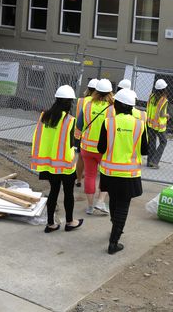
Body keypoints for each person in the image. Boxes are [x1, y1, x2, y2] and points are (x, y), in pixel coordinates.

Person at [97, 88, 149, 254]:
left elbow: (101, 147)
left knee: (113, 200)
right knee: (123, 205)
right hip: (129, 173)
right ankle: (114, 240)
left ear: (118, 105)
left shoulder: (108, 122)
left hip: (109, 172)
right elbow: (145, 150)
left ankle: (115, 228)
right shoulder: (140, 125)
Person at [30, 85, 84, 233]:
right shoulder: (69, 120)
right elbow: (72, 142)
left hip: (49, 163)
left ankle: (50, 224)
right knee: (68, 193)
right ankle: (70, 222)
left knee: (53, 191)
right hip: (65, 164)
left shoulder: (44, 116)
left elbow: (39, 138)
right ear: (68, 103)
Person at [77, 78, 113, 215]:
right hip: (104, 149)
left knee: (90, 176)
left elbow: (79, 125)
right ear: (110, 93)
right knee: (105, 176)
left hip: (87, 147)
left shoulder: (88, 105)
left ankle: (90, 206)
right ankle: (100, 202)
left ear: (96, 91)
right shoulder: (112, 109)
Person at [73, 79, 98, 187]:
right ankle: (87, 177)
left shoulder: (80, 100)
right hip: (90, 134)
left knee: (80, 158)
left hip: (79, 133)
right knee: (91, 160)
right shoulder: (96, 102)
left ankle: (78, 180)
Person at [145, 79, 169, 168]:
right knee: (163, 141)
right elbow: (162, 114)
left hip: (150, 124)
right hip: (159, 126)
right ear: (164, 89)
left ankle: (149, 161)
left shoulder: (151, 96)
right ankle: (154, 162)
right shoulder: (164, 100)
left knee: (152, 142)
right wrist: (167, 115)